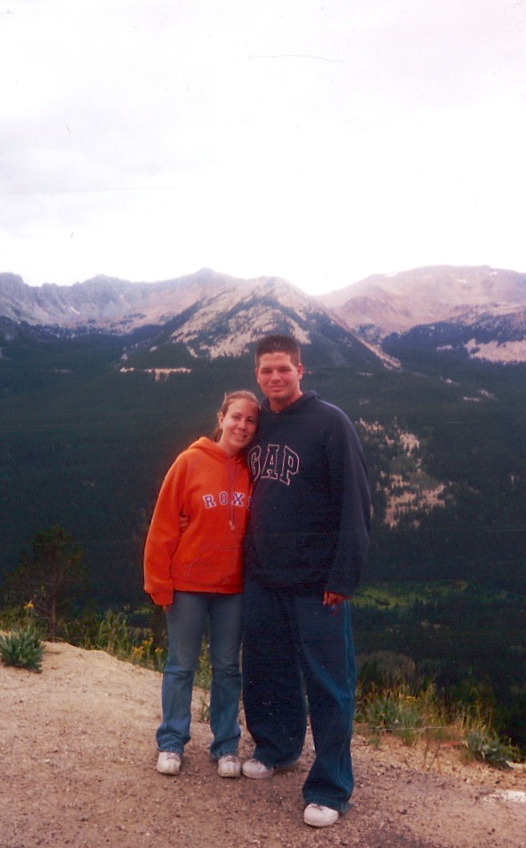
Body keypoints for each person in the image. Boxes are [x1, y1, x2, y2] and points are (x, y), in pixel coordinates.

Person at [241, 334, 371, 828]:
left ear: (301, 370)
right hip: (263, 577)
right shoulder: (258, 423)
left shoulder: (330, 422)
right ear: (257, 375)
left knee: (328, 683)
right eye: (267, 370)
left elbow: (355, 505)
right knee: (267, 668)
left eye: (284, 369)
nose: (275, 378)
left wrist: (344, 575)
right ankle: (278, 747)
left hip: (319, 582)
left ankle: (331, 787)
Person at [143, 390, 259, 778]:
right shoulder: (190, 461)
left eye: (250, 420)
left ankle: (226, 746)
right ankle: (172, 742)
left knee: (227, 668)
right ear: (221, 417)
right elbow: (162, 525)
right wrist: (158, 582)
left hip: (234, 588)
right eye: (236, 417)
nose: (242, 426)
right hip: (188, 585)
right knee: (181, 665)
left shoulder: (251, 469)